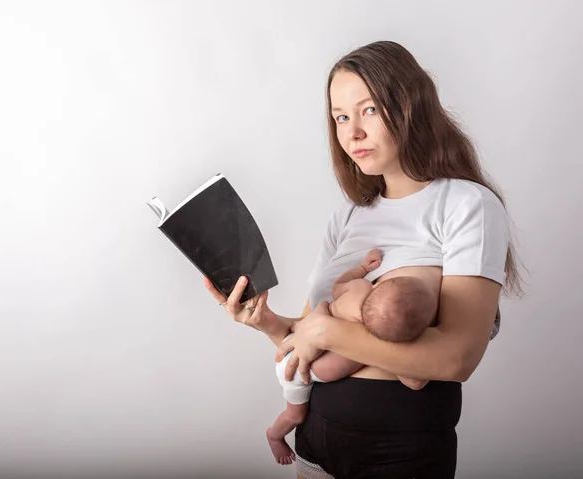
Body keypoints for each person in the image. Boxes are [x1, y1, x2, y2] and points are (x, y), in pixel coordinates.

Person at [204, 40, 523, 478]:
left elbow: (456, 358)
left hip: (402, 452)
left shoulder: (467, 204)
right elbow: (306, 339)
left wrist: (327, 329)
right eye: (340, 117)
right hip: (316, 443)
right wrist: (268, 324)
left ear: (410, 105)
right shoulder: (349, 216)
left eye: (369, 110)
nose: (352, 131)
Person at [267, 247, 438, 465]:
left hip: (298, 336)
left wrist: (362, 268)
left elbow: (337, 286)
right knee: (295, 416)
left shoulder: (361, 287)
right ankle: (274, 435)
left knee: (323, 310)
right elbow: (415, 381)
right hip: (296, 368)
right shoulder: (381, 343)